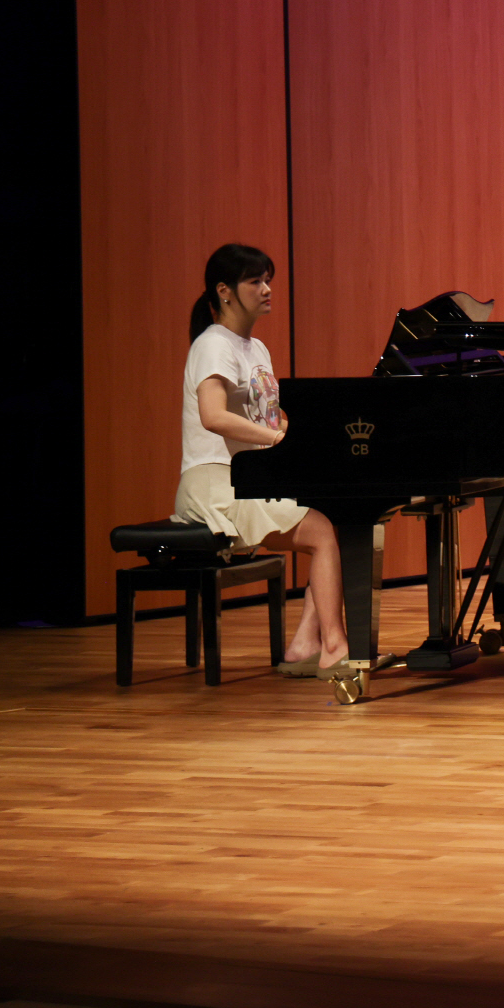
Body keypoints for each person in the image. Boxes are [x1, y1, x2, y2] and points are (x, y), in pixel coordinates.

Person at [173, 243, 349, 680]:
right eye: (255, 281)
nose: (267, 289)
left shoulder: (257, 348)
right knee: (321, 531)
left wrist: (310, 435)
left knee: (340, 519)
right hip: (214, 481)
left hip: (248, 475)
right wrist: (278, 437)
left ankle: (305, 644)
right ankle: (335, 648)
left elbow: (266, 418)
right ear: (224, 291)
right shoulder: (213, 344)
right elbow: (214, 416)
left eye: (267, 280)